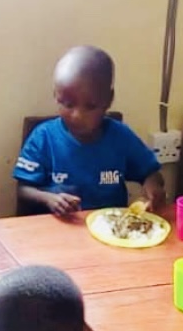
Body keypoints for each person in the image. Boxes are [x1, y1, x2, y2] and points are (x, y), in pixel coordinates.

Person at [13, 45, 166, 217]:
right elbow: (23, 189)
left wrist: (153, 187)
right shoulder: (43, 138)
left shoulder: (121, 137)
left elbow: (151, 174)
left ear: (108, 100)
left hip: (110, 230)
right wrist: (49, 198)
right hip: (60, 230)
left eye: (90, 106)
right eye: (68, 104)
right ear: (56, 95)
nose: (77, 115)